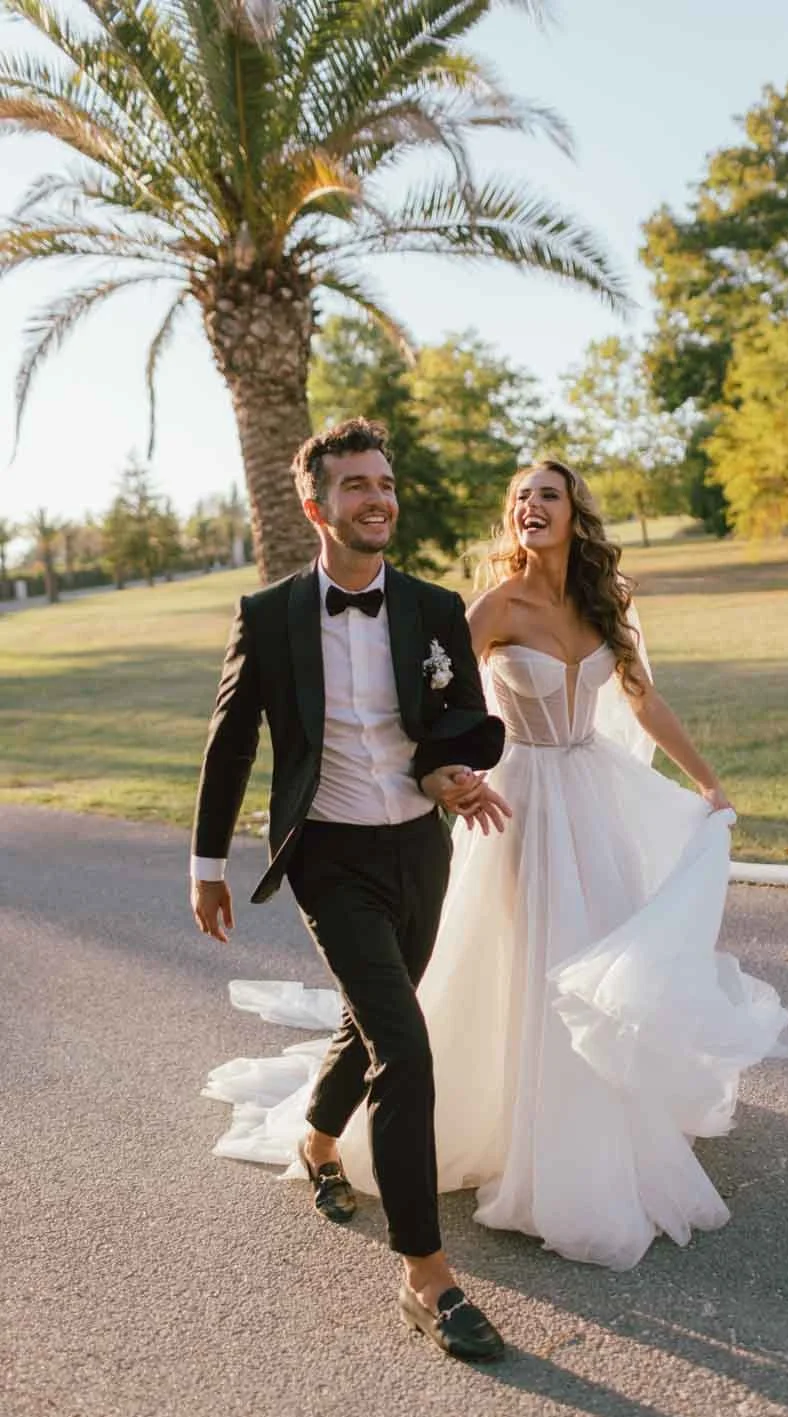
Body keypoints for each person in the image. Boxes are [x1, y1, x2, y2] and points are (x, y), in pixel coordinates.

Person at [206, 459, 788, 1273]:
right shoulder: (493, 606)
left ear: (575, 513)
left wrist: (706, 779)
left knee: (599, 959)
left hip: (591, 793)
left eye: (546, 496)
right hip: (513, 802)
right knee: (530, 964)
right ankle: (514, 1143)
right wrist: (445, 770)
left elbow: (642, 697)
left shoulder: (606, 601)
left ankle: (598, 1131)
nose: (530, 508)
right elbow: (433, 703)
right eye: (520, 499)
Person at [190, 417, 512, 1362]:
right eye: (357, 486)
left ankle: (319, 1142)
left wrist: (447, 770)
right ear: (316, 506)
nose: (378, 499)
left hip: (420, 849)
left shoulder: (432, 606)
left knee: (373, 1019)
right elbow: (231, 742)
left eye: (385, 482)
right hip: (328, 858)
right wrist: (206, 864)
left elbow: (462, 717)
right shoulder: (270, 615)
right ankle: (428, 1276)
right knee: (405, 1049)